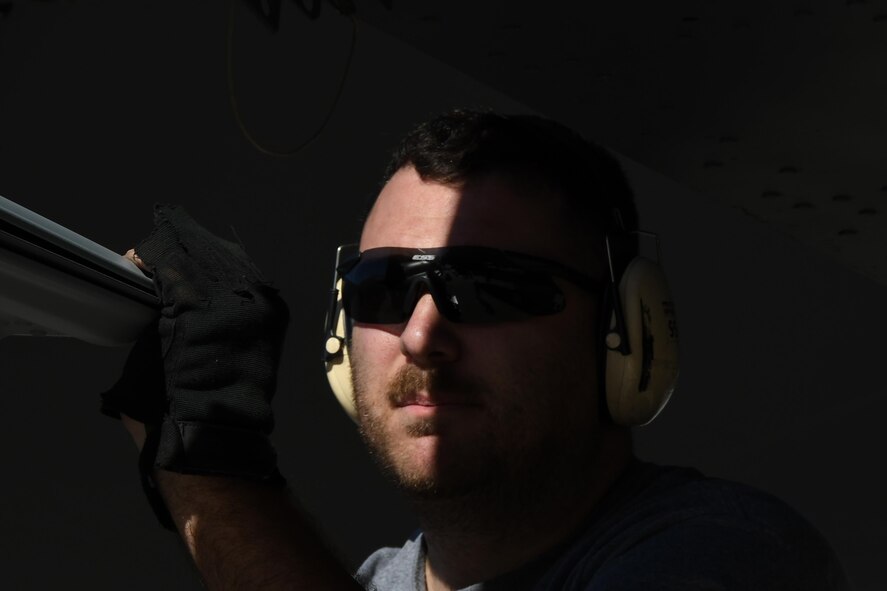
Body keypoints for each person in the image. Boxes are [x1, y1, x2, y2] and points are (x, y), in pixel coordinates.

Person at [103, 108, 850, 590]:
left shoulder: (729, 555)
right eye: (382, 288)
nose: (423, 335)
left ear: (625, 328)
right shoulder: (370, 582)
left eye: (489, 287)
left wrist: (215, 467)